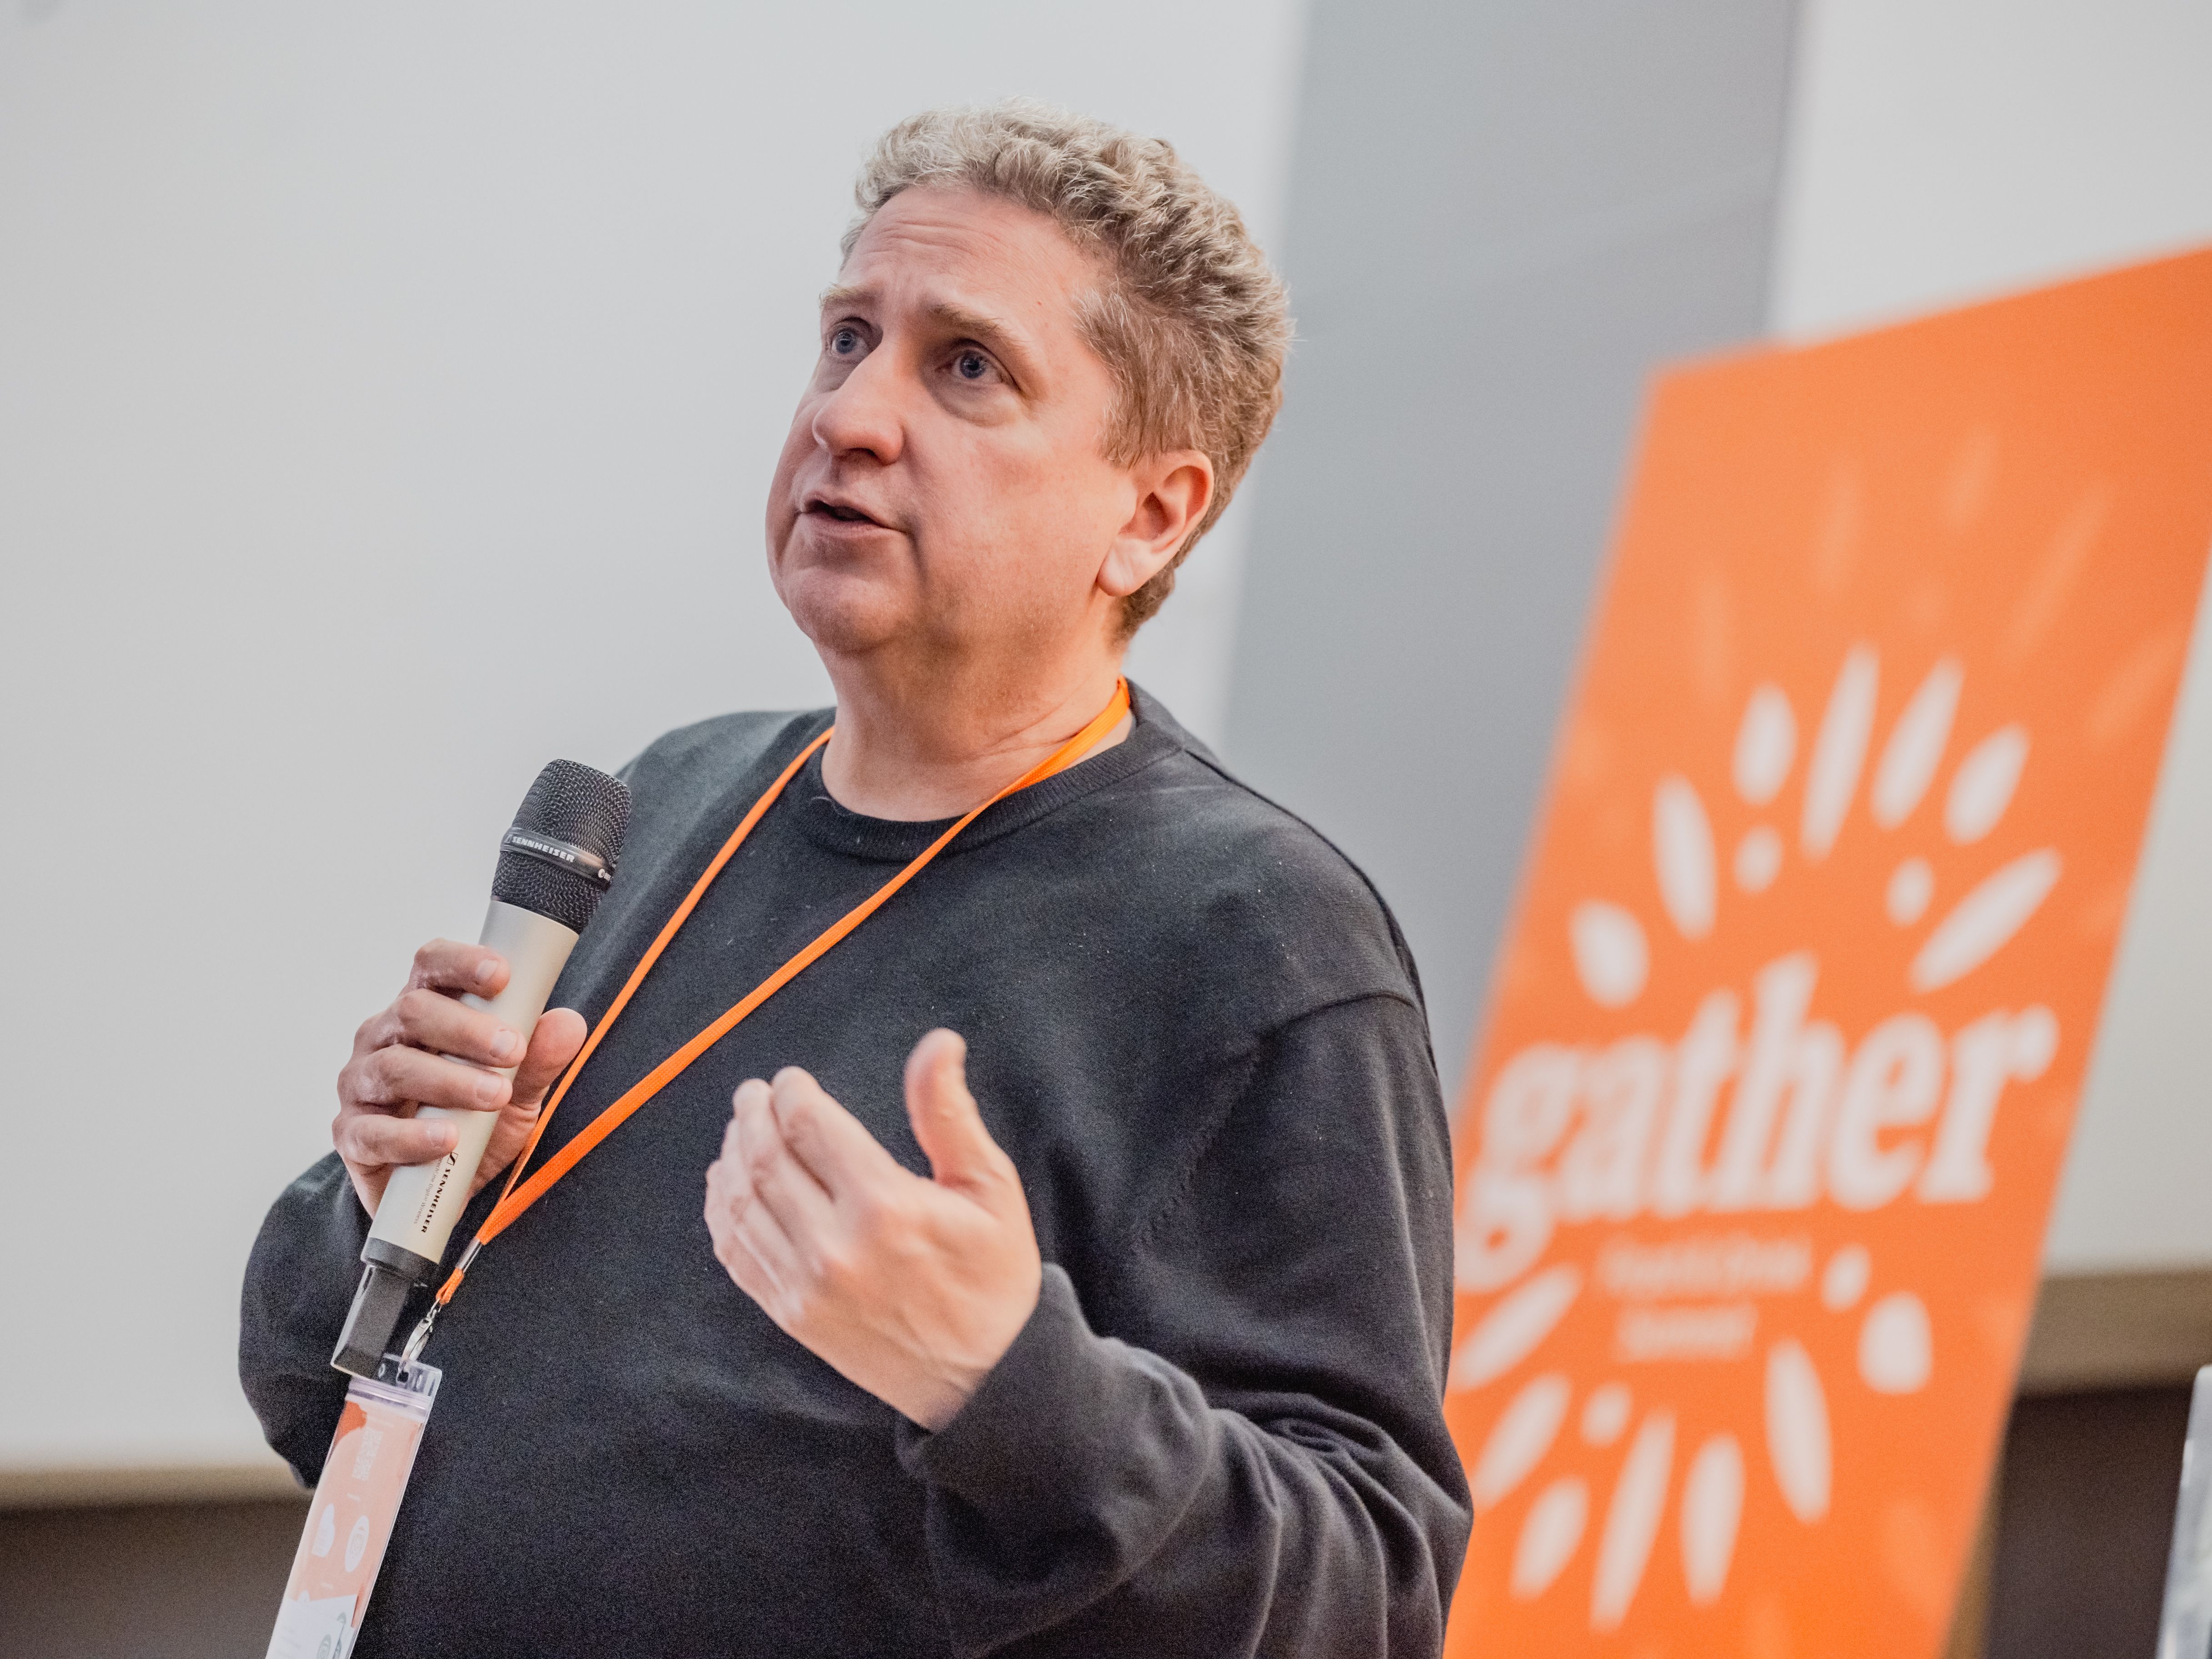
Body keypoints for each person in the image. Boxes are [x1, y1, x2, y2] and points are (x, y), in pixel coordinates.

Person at [242, 101, 1472, 1656]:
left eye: (967, 367)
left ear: (1149, 516)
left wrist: (1007, 1382)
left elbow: (1369, 1593)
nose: (852, 415)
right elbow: (317, 1396)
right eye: (845, 339)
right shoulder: (675, 797)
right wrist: (378, 1202)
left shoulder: (1259, 938)